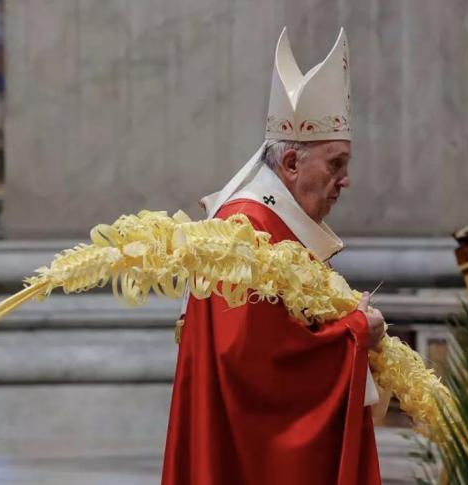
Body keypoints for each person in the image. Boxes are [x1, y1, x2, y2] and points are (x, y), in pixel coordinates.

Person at [162, 28, 386, 484]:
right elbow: (252, 368)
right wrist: (356, 332)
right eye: (335, 165)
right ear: (290, 165)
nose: (345, 181)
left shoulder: (278, 226)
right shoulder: (242, 233)